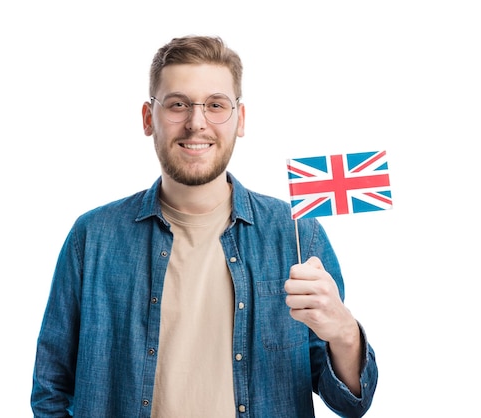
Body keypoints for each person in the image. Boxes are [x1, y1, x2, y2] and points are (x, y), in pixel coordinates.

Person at [31, 35, 378, 417]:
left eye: (216, 105)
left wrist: (343, 332)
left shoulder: (296, 234)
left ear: (239, 119)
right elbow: (51, 391)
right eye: (178, 105)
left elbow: (349, 401)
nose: (197, 123)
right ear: (149, 118)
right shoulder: (92, 238)